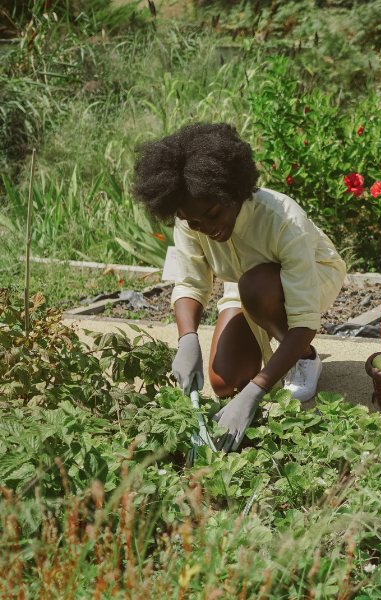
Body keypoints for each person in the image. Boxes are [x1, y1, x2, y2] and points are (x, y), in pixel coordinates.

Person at [132, 123, 346, 452]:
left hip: (313, 275)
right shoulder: (191, 219)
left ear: (232, 191)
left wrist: (256, 392)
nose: (208, 228)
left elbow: (304, 320)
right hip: (245, 283)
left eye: (214, 214)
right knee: (224, 382)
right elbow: (190, 283)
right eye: (196, 223)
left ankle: (304, 358)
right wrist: (187, 340)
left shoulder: (283, 219)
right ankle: (269, 346)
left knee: (257, 287)